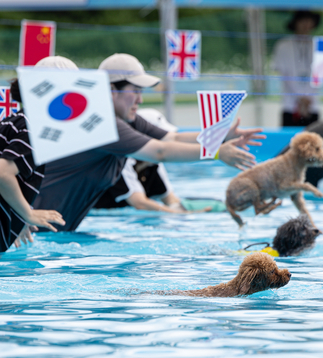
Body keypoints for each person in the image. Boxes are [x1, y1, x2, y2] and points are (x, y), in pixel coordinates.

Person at [34, 53, 264, 232]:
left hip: (47, 230)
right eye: (134, 91)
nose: (140, 99)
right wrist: (214, 152)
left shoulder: (124, 121)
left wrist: (221, 135)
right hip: (29, 228)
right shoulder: (102, 125)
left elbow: (171, 137)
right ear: (111, 90)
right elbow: (161, 152)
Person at [94, 108, 223, 213]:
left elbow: (171, 200)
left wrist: (191, 214)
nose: (168, 144)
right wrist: (180, 214)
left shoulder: (153, 164)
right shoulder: (119, 160)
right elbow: (140, 203)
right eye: (160, 137)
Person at [0, 57, 68, 252]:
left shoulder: (14, 121)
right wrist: (29, 214)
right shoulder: (36, 126)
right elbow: (3, 172)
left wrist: (18, 212)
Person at [272, 10, 321, 127]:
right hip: (290, 105)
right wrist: (300, 97)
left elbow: (321, 73)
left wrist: (308, 97)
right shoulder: (283, 45)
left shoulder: (318, 45)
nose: (306, 24)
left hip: (312, 106)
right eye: (302, 21)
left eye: (309, 21)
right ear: (295, 23)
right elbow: (284, 74)